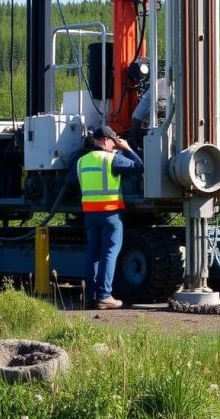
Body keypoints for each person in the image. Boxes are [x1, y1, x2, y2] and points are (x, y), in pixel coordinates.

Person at [76, 124, 143, 309]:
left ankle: (90, 296)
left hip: (90, 214)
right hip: (110, 214)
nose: (115, 144)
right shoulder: (111, 159)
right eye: (113, 140)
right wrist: (127, 148)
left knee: (93, 254)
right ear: (106, 140)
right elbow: (139, 166)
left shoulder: (82, 161)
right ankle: (104, 296)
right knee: (109, 253)